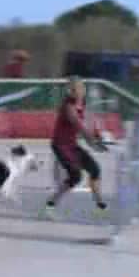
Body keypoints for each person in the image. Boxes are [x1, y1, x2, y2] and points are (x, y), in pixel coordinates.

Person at [43, 77, 108, 217]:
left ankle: (100, 207)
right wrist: (93, 142)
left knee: (95, 169)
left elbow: (89, 121)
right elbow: (79, 126)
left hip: (72, 144)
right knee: (76, 176)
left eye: (82, 88)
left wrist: (98, 135)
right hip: (60, 145)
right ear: (71, 91)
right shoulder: (68, 106)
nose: (81, 91)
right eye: (78, 88)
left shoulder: (82, 103)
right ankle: (49, 205)